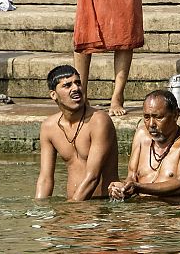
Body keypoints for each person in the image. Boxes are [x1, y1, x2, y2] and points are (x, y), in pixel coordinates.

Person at [35, 65, 120, 200]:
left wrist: (72, 207)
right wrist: (38, 208)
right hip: (73, 202)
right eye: (67, 85)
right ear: (53, 95)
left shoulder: (99, 121)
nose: (76, 88)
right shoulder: (48, 127)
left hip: (102, 203)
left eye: (78, 83)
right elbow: (45, 179)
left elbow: (93, 177)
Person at [108, 90, 180, 205]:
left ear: (175, 115)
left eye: (158, 117)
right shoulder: (141, 134)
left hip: (175, 212)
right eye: (146, 117)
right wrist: (121, 188)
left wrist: (138, 187)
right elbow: (131, 177)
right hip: (141, 211)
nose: (151, 124)